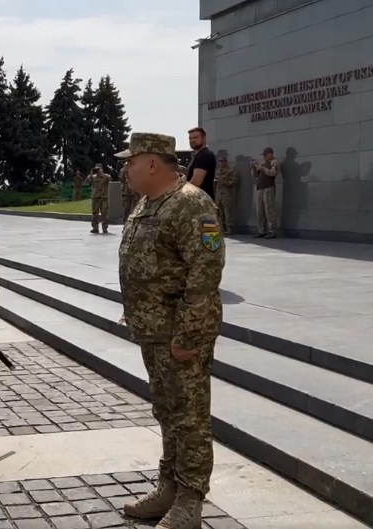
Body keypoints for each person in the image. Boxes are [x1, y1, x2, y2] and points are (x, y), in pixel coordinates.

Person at [116, 132, 224, 529]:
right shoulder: (148, 202)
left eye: (131, 161)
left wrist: (188, 336)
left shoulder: (192, 205)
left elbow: (205, 274)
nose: (125, 167)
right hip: (153, 332)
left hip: (181, 336)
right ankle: (169, 487)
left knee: (190, 416)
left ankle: (190, 501)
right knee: (167, 411)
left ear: (152, 163)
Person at [251, 147, 279, 239]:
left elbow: (273, 173)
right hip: (260, 189)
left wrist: (262, 168)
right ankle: (261, 230)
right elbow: (255, 176)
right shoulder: (263, 164)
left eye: (265, 154)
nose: (263, 156)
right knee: (260, 211)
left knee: (269, 210)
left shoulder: (274, 162)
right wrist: (254, 168)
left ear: (270, 154)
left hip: (268, 188)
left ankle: (272, 231)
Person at [214, 154, 238, 235]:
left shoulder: (230, 171)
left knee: (227, 212)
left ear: (225, 162)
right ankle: (222, 228)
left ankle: (229, 228)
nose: (221, 163)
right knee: (220, 212)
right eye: (219, 162)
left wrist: (226, 183)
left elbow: (235, 181)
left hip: (227, 194)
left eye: (222, 161)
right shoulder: (218, 171)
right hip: (219, 194)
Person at [86, 164, 111, 234]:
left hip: (103, 197)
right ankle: (95, 227)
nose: (97, 170)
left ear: (102, 169)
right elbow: (88, 180)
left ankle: (105, 228)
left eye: (99, 169)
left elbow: (110, 178)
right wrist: (91, 173)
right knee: (94, 213)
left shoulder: (106, 176)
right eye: (96, 169)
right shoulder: (93, 177)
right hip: (95, 197)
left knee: (104, 213)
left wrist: (102, 174)